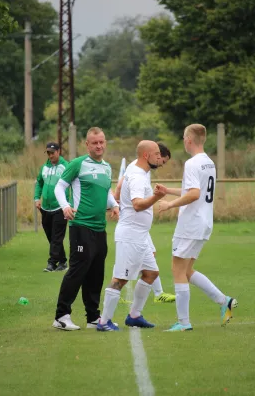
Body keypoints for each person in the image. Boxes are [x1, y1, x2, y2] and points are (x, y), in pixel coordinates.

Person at [157, 124, 238, 332]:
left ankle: (183, 323)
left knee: (177, 270)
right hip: (204, 223)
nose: (184, 141)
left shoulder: (192, 164)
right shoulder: (209, 163)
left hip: (191, 224)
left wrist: (168, 204)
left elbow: (193, 194)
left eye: (184, 137)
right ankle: (224, 301)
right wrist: (168, 191)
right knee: (187, 271)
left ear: (189, 140)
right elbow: (195, 191)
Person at [52, 127, 119, 331]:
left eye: (101, 142)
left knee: (96, 273)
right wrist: (65, 206)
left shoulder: (107, 167)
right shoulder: (78, 164)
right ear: (87, 145)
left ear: (105, 142)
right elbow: (59, 187)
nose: (99, 146)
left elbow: (106, 193)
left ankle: (93, 317)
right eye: (94, 143)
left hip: (100, 228)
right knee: (78, 270)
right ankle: (61, 316)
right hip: (81, 226)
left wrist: (114, 205)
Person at [97, 140, 166, 331]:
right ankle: (104, 322)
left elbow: (120, 186)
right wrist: (156, 197)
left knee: (151, 273)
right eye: (157, 154)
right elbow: (137, 204)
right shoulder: (137, 175)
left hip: (140, 235)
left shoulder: (138, 168)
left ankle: (134, 315)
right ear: (146, 155)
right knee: (120, 279)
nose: (159, 158)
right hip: (130, 235)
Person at [114, 142, 175, 304]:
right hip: (132, 227)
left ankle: (156, 295)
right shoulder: (138, 171)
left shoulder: (144, 169)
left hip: (139, 227)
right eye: (163, 160)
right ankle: (112, 299)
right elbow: (126, 191)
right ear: (154, 155)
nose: (162, 164)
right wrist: (117, 202)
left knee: (150, 262)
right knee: (123, 273)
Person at [34, 142, 69, 272]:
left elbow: (73, 185)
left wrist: (68, 204)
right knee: (51, 237)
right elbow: (39, 183)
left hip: (60, 208)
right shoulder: (44, 167)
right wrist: (37, 198)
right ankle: (63, 262)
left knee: (56, 237)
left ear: (58, 152)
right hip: (45, 208)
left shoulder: (66, 167)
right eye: (48, 153)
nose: (50, 155)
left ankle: (52, 263)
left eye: (52, 153)